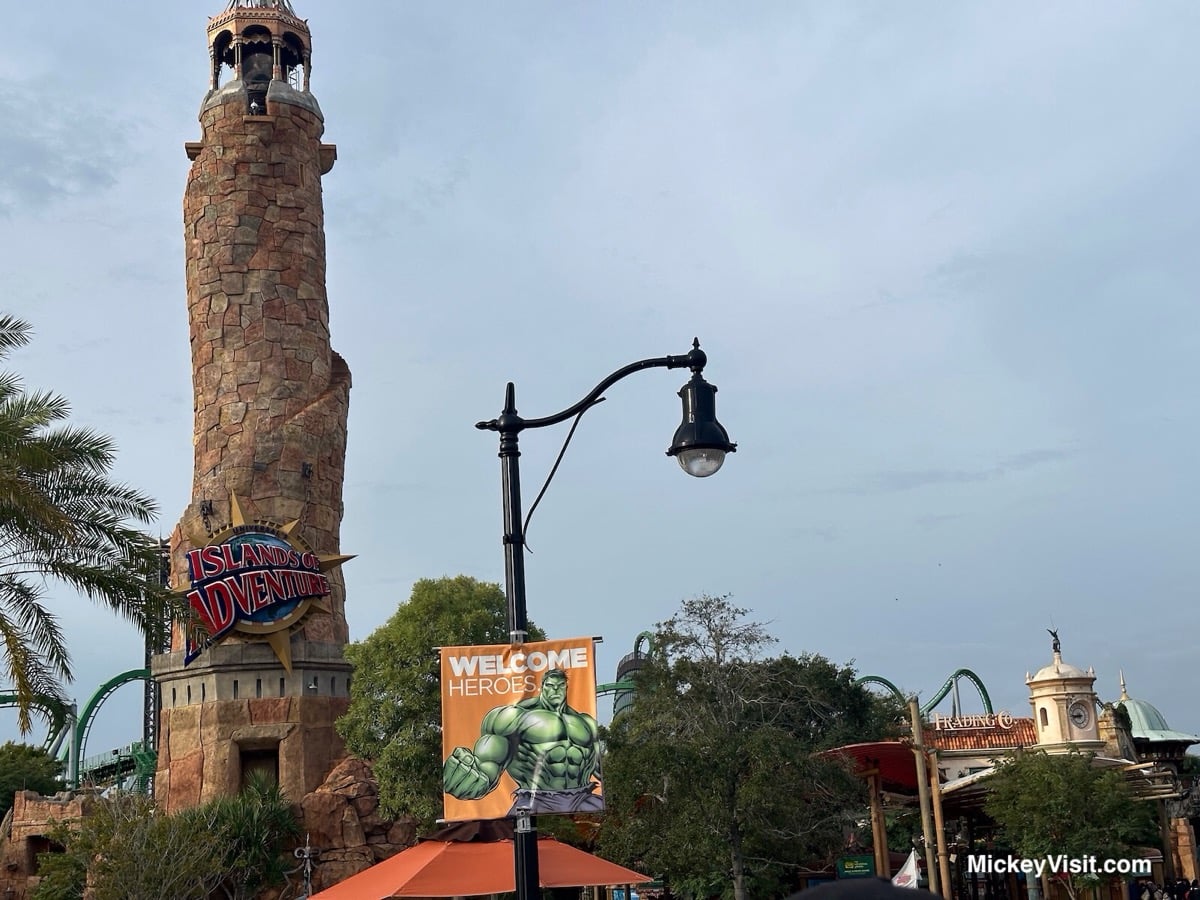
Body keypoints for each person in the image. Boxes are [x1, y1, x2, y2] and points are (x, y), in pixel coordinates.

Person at [443, 668, 603, 814]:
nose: (555, 690)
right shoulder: (514, 716)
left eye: (560, 686)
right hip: (537, 799)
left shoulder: (586, 723)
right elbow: (492, 753)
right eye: (550, 685)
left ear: (566, 688)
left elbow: (600, 767)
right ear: (542, 687)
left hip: (581, 797)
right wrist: (479, 777)